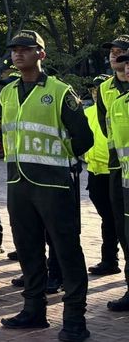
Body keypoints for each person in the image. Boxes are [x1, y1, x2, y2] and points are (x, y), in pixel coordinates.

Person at [0, 30, 93, 341]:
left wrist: (63, 160)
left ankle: (75, 319)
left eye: (26, 49)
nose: (18, 54)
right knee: (28, 250)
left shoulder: (61, 91)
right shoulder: (7, 93)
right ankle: (33, 310)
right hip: (18, 183)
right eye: (14, 50)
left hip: (54, 185)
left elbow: (84, 138)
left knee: (66, 252)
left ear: (41, 54)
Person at [97, 35, 129, 311]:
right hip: (118, 170)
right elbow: (105, 125)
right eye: (112, 52)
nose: (114, 56)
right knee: (123, 229)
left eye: (120, 52)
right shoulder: (106, 88)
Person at [83, 75, 119, 276]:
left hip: (114, 171)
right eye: (93, 90)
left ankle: (110, 259)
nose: (95, 92)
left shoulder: (117, 108)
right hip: (95, 172)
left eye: (98, 88)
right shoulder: (87, 112)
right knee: (107, 218)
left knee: (115, 219)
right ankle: (109, 260)